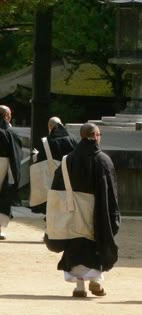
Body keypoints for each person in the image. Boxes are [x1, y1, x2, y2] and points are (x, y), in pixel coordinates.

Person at [44, 122, 120, 297]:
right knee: (95, 243)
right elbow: (111, 191)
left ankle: (79, 286)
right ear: (94, 136)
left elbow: (56, 189)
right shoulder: (103, 160)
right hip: (95, 212)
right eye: (99, 134)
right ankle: (95, 281)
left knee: (74, 244)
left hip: (71, 212)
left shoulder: (67, 160)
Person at [30, 116, 77, 214]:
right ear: (62, 125)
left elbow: (39, 159)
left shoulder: (46, 141)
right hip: (70, 176)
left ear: (49, 127)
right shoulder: (73, 139)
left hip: (52, 177)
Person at [0, 105, 22, 239]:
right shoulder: (9, 132)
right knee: (3, 196)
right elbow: (15, 152)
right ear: (7, 116)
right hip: (4, 165)